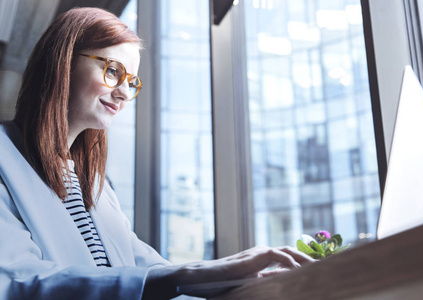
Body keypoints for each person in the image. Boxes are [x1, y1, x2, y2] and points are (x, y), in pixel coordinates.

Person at [0, 7, 313, 299]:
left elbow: (141, 263)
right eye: (112, 71)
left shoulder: (95, 183)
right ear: (63, 61)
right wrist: (193, 273)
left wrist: (233, 272)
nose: (124, 92)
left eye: (132, 81)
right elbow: (17, 283)